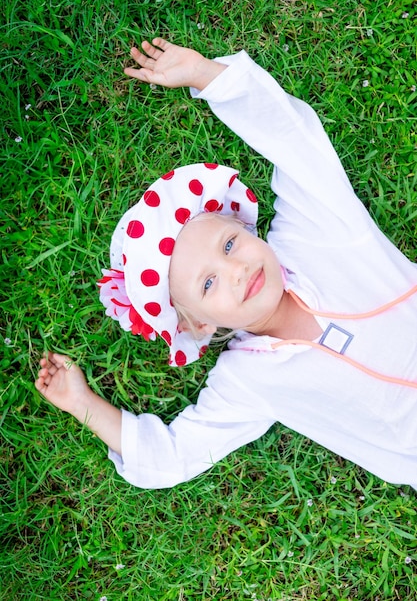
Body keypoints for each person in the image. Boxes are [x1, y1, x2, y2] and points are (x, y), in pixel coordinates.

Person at [35, 38, 417, 490]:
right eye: (209, 283)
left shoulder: (315, 234)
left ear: (244, 224)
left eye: (230, 245)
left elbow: (296, 143)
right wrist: (83, 404)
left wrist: (204, 74)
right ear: (196, 325)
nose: (236, 271)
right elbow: (175, 456)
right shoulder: (248, 381)